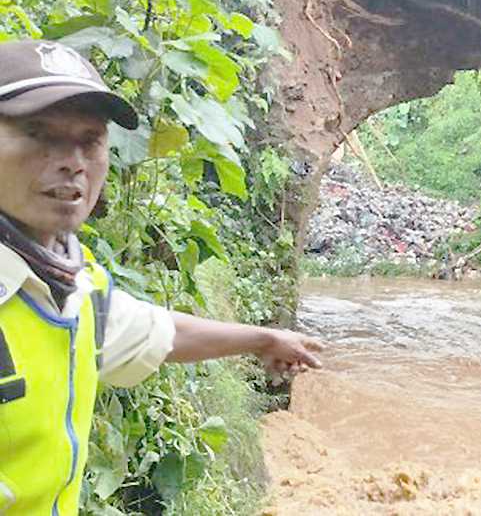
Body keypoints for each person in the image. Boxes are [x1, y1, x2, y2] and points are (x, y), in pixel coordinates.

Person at [0, 39, 323, 514]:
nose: (72, 161)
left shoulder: (72, 284)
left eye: (90, 140)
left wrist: (262, 338)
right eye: (38, 133)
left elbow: (156, 332)